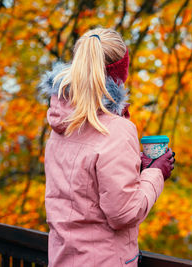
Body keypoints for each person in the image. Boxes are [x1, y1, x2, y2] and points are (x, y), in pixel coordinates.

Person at [38, 27, 175, 267]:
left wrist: (134, 171)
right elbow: (123, 213)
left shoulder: (60, 124)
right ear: (121, 74)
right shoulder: (116, 130)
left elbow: (81, 194)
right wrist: (155, 173)